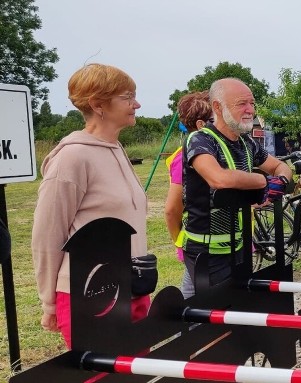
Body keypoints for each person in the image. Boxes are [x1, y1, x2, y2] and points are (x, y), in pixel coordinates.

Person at [32, 63, 149, 348]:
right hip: (89, 295)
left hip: (131, 286)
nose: (137, 103)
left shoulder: (117, 149)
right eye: (127, 96)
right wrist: (49, 301)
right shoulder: (72, 158)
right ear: (98, 104)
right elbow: (47, 234)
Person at [181, 78, 292, 295]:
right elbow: (218, 179)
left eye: (252, 103)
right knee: (217, 318)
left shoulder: (246, 143)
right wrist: (264, 181)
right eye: (242, 103)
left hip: (239, 246)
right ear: (218, 107)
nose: (250, 110)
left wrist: (281, 181)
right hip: (207, 251)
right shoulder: (200, 140)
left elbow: (279, 166)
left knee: (238, 310)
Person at [165, 91, 212, 298]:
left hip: (223, 244)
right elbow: (172, 210)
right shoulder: (184, 157)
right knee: (193, 300)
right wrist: (180, 243)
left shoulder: (220, 150)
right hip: (198, 247)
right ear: (202, 125)